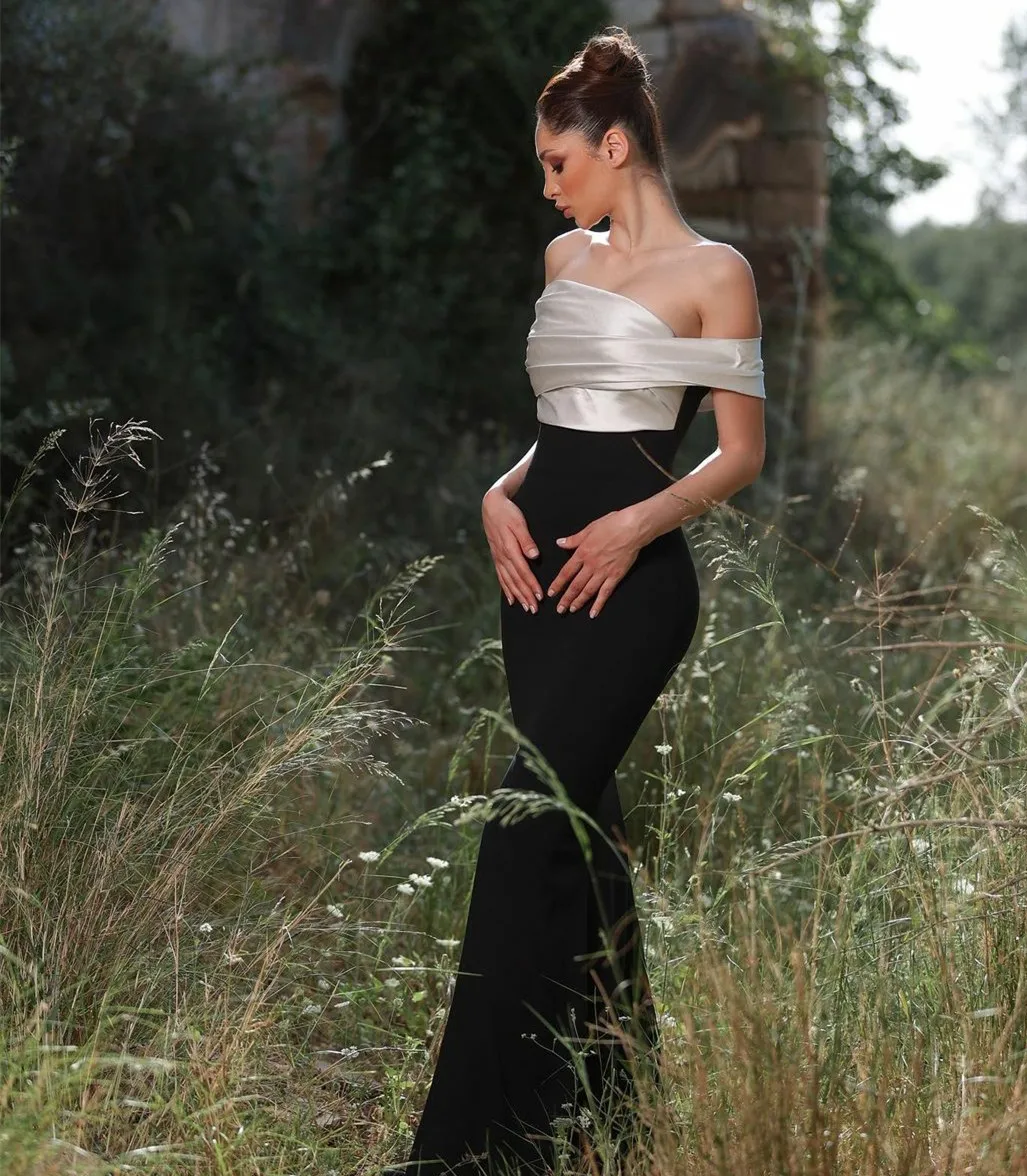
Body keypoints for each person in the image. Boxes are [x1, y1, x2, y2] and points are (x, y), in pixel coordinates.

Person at [381, 24, 766, 1176]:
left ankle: (464, 1151)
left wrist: (637, 525)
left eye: (558, 164)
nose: (549, 189)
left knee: (522, 827)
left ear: (614, 145)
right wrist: (495, 493)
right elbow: (557, 429)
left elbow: (739, 453)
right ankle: (607, 1120)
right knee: (578, 840)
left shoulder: (717, 275)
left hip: (633, 587)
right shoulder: (565, 262)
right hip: (535, 577)